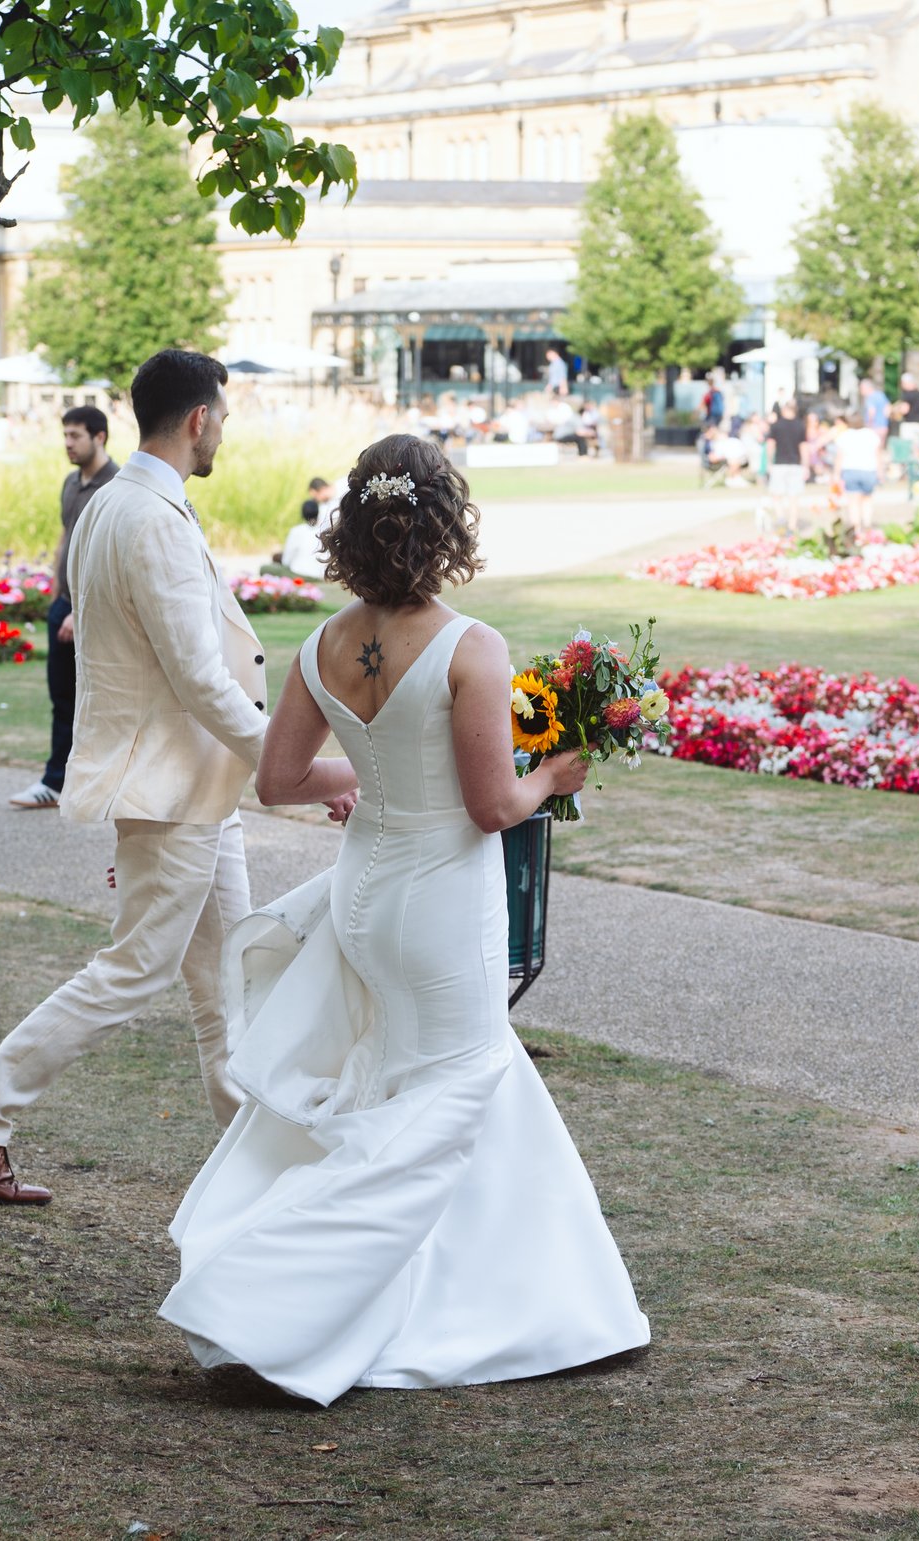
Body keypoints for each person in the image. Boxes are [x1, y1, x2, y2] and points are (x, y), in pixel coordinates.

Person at [159, 432, 649, 1405]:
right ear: (444, 521)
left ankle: (523, 1301)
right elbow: (490, 806)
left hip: (365, 892)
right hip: (436, 901)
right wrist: (555, 770)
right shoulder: (471, 645)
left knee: (429, 1084)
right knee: (454, 1085)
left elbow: (284, 776)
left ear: (354, 524)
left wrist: (381, 779)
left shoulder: (322, 644)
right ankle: (268, 1300)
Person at [0, 349, 357, 1205]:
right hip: (170, 789)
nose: (224, 431)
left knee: (225, 986)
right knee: (136, 971)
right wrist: (291, 761)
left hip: (196, 786)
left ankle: (257, 1164)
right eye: (223, 418)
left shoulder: (123, 504)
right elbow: (199, 677)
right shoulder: (146, 515)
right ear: (198, 419)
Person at [9, 405, 119, 811]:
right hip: (64, 606)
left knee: (100, 699)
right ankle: (58, 782)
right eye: (66, 436)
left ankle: (95, 782)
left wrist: (80, 610)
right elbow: (67, 537)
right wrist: (58, 593)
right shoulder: (71, 483)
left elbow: (108, 555)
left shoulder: (116, 484)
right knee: (63, 699)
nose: (68, 444)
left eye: (76, 436)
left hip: (92, 614)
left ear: (100, 436)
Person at [766, 398, 811, 533]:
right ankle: (792, 525)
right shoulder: (801, 426)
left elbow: (770, 445)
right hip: (796, 464)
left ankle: (781, 517)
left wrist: (769, 462)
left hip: (779, 464)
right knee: (794, 497)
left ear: (784, 409)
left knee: (776, 495)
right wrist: (806, 465)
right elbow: (803, 447)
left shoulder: (776, 425)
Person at [834, 412, 882, 528]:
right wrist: (880, 472)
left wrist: (836, 474)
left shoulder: (844, 435)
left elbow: (839, 457)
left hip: (850, 470)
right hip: (869, 470)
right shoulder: (871, 435)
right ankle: (867, 524)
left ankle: (856, 528)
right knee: (867, 499)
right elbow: (878, 455)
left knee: (853, 501)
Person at [282, 478, 331, 578]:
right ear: (318, 513)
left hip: (300, 573)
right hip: (322, 574)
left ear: (303, 514)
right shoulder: (326, 531)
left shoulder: (296, 531)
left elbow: (286, 560)